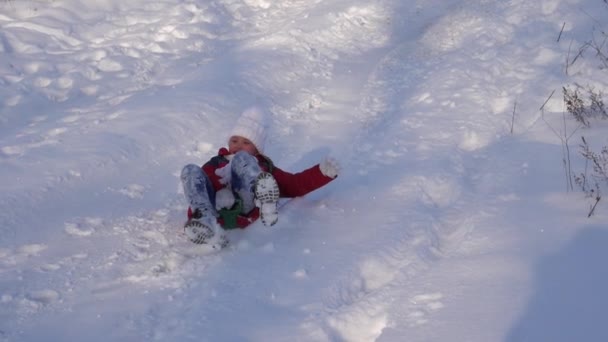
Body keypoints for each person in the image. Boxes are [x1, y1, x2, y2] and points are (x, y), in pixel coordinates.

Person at [180, 106, 340, 246]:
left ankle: (263, 196)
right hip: (216, 215)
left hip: (245, 209)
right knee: (190, 170)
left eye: (246, 142)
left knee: (242, 159)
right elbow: (199, 189)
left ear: (257, 149)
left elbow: (294, 185)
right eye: (234, 140)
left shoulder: (264, 168)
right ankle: (203, 219)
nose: (238, 146)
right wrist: (219, 194)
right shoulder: (215, 163)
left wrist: (322, 173)